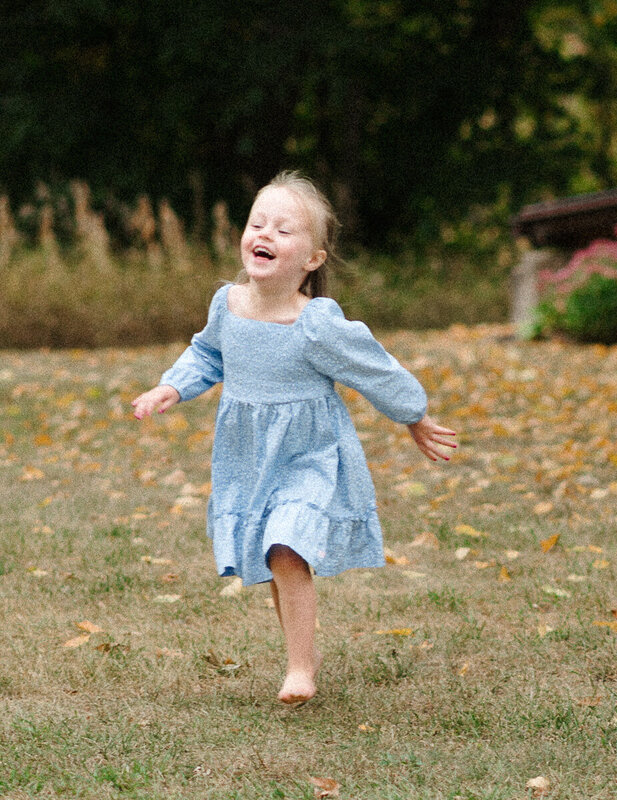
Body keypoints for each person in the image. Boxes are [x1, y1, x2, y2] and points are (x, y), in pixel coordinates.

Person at [132, 171, 457, 703]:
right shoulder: (227, 304)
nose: (265, 233)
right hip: (248, 455)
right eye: (258, 223)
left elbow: (372, 368)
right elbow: (207, 353)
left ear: (313, 259)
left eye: (284, 230)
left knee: (286, 550)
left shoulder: (316, 323)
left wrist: (412, 413)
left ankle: (301, 669)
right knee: (270, 557)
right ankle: (297, 659)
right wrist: (172, 387)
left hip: (308, 453)